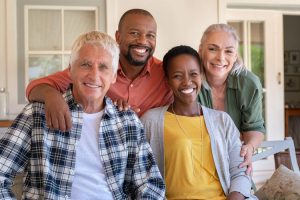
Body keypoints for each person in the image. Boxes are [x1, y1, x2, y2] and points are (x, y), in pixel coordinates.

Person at [0, 31, 165, 199]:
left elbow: (150, 186)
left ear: (114, 76)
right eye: (85, 64)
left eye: (103, 67)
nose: (94, 75)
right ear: (70, 70)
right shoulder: (36, 115)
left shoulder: (128, 122)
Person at [25, 8, 173, 131]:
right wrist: (53, 98)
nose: (142, 41)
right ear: (118, 36)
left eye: (150, 35)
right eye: (134, 33)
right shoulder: (96, 69)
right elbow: (35, 87)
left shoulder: (166, 73)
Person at [141, 45, 256, 200]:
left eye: (193, 74)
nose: (187, 82)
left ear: (201, 75)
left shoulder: (222, 120)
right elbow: (140, 176)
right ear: (167, 81)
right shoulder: (151, 121)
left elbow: (240, 171)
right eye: (177, 76)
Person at [197, 24, 265, 173]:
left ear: (235, 56)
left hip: (234, 160)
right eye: (212, 49)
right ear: (200, 50)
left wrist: (249, 146)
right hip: (197, 161)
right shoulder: (191, 81)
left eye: (228, 51)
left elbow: (254, 128)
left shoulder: (249, 83)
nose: (220, 57)